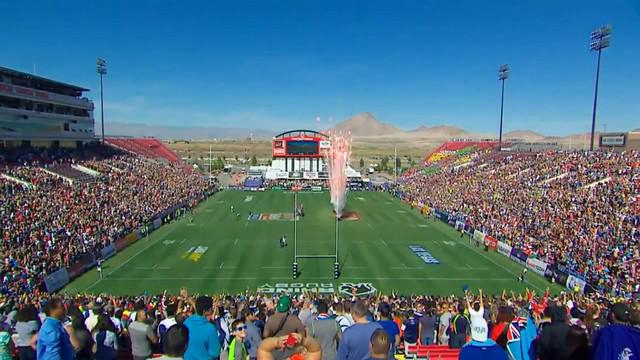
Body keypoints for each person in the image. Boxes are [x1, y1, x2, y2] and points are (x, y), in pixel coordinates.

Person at [184, 296, 221, 360]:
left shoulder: (186, 322)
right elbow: (215, 352)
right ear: (205, 311)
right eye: (210, 308)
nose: (212, 310)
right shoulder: (210, 328)